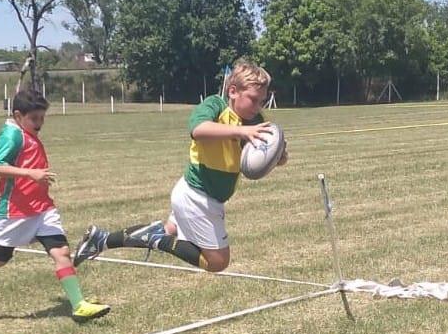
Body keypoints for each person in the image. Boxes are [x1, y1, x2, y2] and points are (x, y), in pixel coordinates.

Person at [73, 60, 288, 278]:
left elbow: (256, 162)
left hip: (203, 197)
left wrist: (276, 156)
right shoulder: (215, 105)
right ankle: (157, 241)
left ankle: (100, 239)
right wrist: (241, 132)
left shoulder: (254, 121)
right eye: (253, 99)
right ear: (233, 91)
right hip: (197, 196)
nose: (258, 107)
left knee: (170, 230)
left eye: (261, 101)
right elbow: (198, 129)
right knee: (218, 261)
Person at [0, 89, 109, 324]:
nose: (39, 124)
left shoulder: (24, 131)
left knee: (61, 252)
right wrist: (30, 173)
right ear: (18, 115)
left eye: (42, 118)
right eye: (34, 119)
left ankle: (79, 305)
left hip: (42, 208)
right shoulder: (12, 136)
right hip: (15, 210)